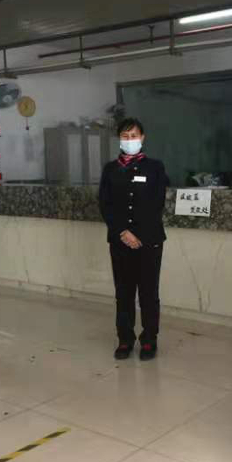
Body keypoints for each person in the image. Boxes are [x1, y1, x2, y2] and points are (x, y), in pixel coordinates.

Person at [99, 118, 169, 361]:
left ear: (143, 138)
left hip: (149, 240)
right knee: (124, 292)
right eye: (125, 136)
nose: (130, 140)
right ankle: (125, 339)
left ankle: (149, 339)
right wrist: (123, 232)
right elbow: (105, 204)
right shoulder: (110, 169)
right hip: (120, 241)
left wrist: (138, 234)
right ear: (119, 139)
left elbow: (156, 203)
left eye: (134, 136)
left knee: (149, 292)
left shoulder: (155, 167)